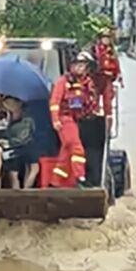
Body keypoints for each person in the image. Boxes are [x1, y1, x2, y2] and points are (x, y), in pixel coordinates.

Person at [49, 51, 97, 187]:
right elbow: (55, 101)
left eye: (84, 66)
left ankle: (55, 181)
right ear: (72, 66)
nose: (81, 69)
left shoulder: (86, 84)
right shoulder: (63, 81)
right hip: (64, 119)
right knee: (77, 149)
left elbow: (89, 101)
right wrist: (55, 120)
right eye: (79, 65)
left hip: (75, 120)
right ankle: (80, 177)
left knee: (66, 151)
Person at [0, 95, 36, 189]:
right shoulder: (10, 118)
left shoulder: (26, 120)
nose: (8, 107)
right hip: (11, 148)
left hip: (21, 149)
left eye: (10, 104)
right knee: (11, 173)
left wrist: (9, 143)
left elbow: (23, 138)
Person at [92, 27, 123, 119]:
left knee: (108, 104)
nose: (106, 40)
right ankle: (95, 123)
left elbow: (116, 64)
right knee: (94, 103)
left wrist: (119, 74)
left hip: (108, 80)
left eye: (108, 38)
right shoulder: (95, 50)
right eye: (104, 37)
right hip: (96, 80)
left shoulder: (112, 51)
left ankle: (108, 129)